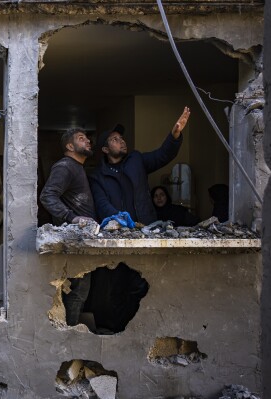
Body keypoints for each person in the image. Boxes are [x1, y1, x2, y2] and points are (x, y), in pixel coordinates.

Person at [89, 107, 191, 225]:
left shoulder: (136, 160)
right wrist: (121, 220)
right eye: (115, 139)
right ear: (105, 149)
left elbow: (162, 155)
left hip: (146, 228)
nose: (122, 141)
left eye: (121, 138)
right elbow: (102, 204)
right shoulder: (97, 177)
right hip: (118, 233)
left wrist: (174, 135)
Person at [40, 128, 95, 327]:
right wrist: (71, 217)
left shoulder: (77, 167)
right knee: (77, 293)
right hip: (72, 241)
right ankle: (68, 341)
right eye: (81, 139)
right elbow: (47, 196)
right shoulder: (65, 166)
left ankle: (69, 337)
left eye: (87, 138)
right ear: (69, 146)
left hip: (80, 240)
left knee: (79, 292)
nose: (88, 141)